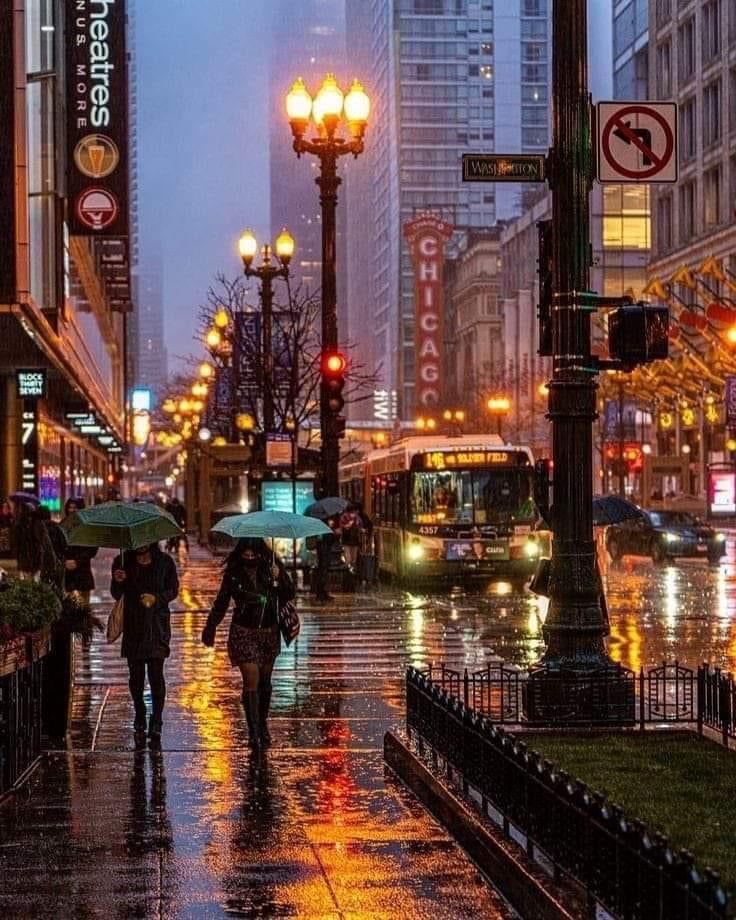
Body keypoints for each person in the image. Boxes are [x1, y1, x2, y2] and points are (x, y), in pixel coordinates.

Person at [201, 538, 294, 749]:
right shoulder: (233, 573)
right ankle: (253, 732)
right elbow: (222, 601)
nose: (250, 558)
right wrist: (210, 626)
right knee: (251, 678)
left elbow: (289, 593)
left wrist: (279, 579)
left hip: (269, 630)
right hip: (243, 631)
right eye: (246, 555)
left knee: (265, 681)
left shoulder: (272, 565)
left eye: (254, 555)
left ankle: (262, 723)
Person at [111, 543, 179, 744]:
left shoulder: (165, 562)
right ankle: (139, 713)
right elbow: (116, 594)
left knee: (156, 673)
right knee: (136, 675)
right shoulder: (122, 561)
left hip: (157, 625)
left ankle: (157, 720)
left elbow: (173, 590)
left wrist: (156, 598)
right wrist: (118, 581)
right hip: (134, 625)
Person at [60, 498, 98, 604]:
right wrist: (65, 561)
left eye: (75, 507)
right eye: (70, 507)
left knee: (84, 606)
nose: (72, 510)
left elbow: (92, 549)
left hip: (82, 571)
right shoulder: (62, 525)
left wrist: (77, 561)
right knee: (68, 605)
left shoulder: (87, 527)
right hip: (67, 573)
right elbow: (58, 547)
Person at [13, 500, 56, 582]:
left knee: (36, 581)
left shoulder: (38, 524)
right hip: (24, 558)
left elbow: (44, 541)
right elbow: (16, 542)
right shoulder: (19, 525)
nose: (29, 516)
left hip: (36, 558)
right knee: (25, 582)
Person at [313, 517, 339, 603]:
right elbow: (328, 538)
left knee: (322, 572)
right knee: (323, 573)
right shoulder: (323, 525)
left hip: (322, 552)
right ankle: (322, 594)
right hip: (324, 552)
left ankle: (322, 593)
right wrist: (334, 533)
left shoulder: (319, 524)